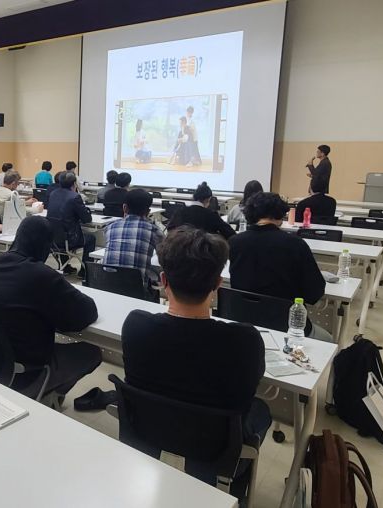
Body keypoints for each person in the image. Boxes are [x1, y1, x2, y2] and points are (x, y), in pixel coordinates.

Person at [121, 226, 269, 494]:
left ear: (163, 280)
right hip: (215, 446)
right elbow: (249, 388)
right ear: (218, 284)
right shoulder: (244, 340)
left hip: (148, 429)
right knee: (261, 410)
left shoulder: (135, 324)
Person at [0, 216, 101, 398]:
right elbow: (86, 314)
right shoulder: (43, 276)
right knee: (91, 352)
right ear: (45, 247)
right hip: (21, 373)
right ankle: (47, 394)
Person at [228, 192, 331, 340]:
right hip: (284, 326)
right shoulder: (296, 244)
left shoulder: (234, 242)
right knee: (328, 339)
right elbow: (314, 293)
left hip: (242, 323)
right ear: (280, 214)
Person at [103, 189, 164, 286]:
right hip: (137, 290)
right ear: (148, 212)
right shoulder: (154, 231)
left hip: (105, 286)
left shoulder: (110, 227)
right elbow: (164, 259)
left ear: (124, 208)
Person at [46, 171, 95, 276]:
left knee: (61, 229)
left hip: (53, 239)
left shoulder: (53, 194)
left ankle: (66, 267)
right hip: (70, 240)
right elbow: (86, 219)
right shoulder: (75, 197)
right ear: (74, 184)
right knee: (91, 238)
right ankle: (85, 271)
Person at [167, 182, 235, 239]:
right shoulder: (211, 215)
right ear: (208, 199)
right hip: (204, 249)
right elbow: (230, 233)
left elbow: (170, 229)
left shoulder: (180, 211)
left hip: (181, 247)